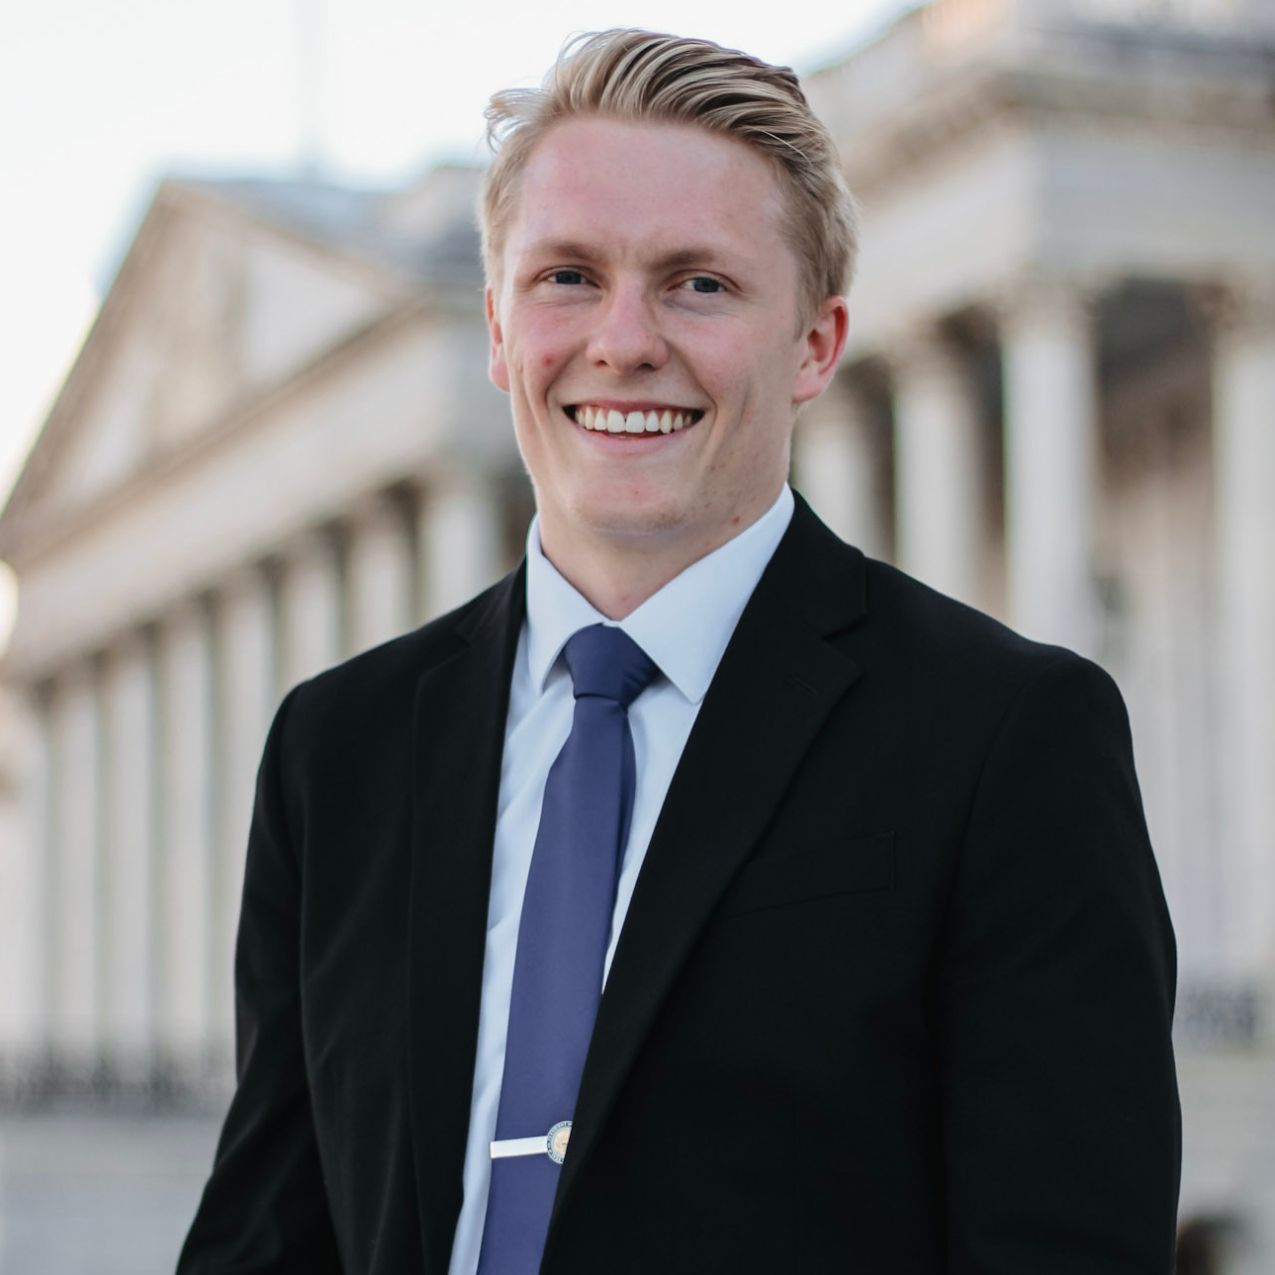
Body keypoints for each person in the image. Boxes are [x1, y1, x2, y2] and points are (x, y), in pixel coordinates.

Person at [177, 28, 1181, 1275]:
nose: (624, 340)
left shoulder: (1007, 738)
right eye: (568, 278)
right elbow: (268, 1237)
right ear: (498, 331)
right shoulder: (341, 750)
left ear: (814, 343)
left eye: (699, 282)